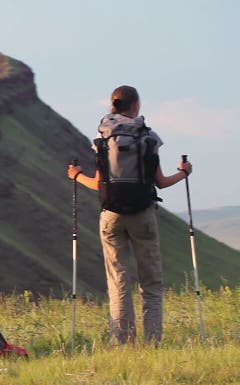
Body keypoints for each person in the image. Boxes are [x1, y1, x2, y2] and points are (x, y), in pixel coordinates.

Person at [67, 85, 192, 344]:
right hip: (143, 214)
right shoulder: (147, 138)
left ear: (114, 104)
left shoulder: (103, 139)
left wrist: (77, 175)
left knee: (118, 281)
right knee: (151, 282)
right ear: (135, 104)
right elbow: (161, 182)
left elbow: (98, 182)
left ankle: (122, 341)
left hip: (111, 215)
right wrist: (184, 172)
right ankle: (153, 342)